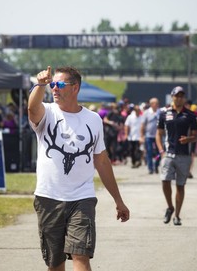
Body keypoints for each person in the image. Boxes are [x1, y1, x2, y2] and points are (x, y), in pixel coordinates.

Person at [28, 66, 130, 271]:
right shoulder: (46, 112)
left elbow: (101, 161)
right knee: (55, 263)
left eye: (59, 84)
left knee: (80, 255)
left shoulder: (93, 120)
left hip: (82, 198)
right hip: (49, 197)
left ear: (75, 88)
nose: (54, 89)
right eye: (53, 85)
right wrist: (40, 85)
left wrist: (118, 200)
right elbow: (32, 110)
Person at [156, 86, 197, 226]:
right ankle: (170, 207)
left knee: (180, 186)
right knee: (165, 181)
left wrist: (188, 139)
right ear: (172, 97)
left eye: (181, 96)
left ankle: (177, 216)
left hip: (184, 155)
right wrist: (161, 150)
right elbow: (159, 133)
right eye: (177, 96)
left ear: (184, 98)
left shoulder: (191, 115)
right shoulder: (164, 113)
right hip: (168, 154)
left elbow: (195, 136)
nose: (179, 98)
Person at [140, 97, 160, 174]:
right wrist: (141, 136)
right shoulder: (146, 113)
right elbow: (142, 125)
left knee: (159, 153)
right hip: (149, 136)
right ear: (151, 104)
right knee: (149, 152)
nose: (157, 104)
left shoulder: (160, 112)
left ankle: (156, 165)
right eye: (155, 103)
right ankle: (150, 168)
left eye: (158, 103)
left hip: (158, 136)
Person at [125, 104, 143, 168]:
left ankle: (138, 161)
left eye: (139, 110)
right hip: (131, 136)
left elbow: (143, 127)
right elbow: (127, 125)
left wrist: (142, 136)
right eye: (137, 110)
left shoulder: (141, 117)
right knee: (131, 150)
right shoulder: (130, 117)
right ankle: (133, 162)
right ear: (135, 110)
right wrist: (126, 134)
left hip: (138, 137)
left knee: (138, 149)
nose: (138, 111)